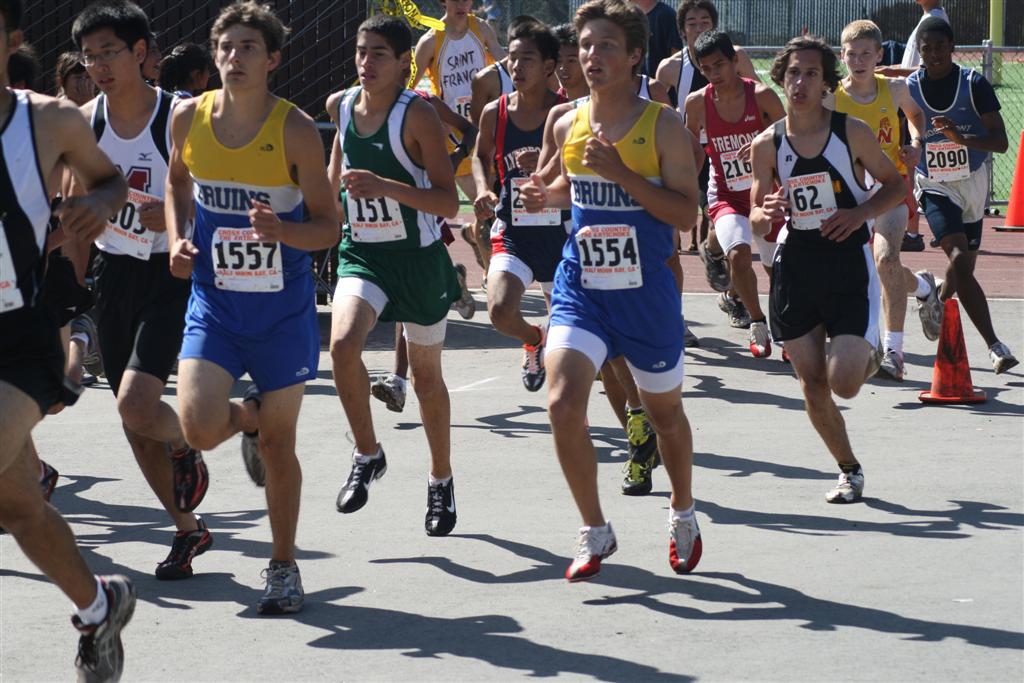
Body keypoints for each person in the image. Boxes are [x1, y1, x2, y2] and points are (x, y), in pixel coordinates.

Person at [165, 0, 339, 613]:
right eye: (225, 47)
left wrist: (282, 231)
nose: (233, 57)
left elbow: (328, 227)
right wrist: (178, 237)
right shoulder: (188, 117)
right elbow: (177, 183)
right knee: (197, 427)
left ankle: (283, 566)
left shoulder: (294, 130)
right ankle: (248, 416)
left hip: (280, 312)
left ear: (273, 60)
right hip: (214, 304)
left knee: (279, 446)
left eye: (247, 48)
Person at [520, 0, 702, 581]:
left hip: (645, 294)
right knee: (561, 404)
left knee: (665, 416)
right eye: (585, 46)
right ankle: (594, 528)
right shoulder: (566, 122)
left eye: (605, 46)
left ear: (634, 56)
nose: (590, 56)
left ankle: (682, 510)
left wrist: (622, 173)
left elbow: (686, 214)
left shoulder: (663, 126)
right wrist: (540, 196)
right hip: (583, 287)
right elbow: (565, 190)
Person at [0, 1, 137, 679]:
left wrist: (99, 205)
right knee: (20, 508)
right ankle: (99, 604)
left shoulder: (48, 121)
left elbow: (109, 179)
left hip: (20, 336)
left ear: (12, 39)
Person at [71, 0, 212, 580]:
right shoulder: (84, 122)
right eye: (89, 56)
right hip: (112, 274)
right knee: (132, 420)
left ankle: (188, 438)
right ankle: (188, 529)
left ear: (140, 52)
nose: (99, 66)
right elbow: (76, 212)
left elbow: (224, 195)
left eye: (109, 52)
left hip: (169, 273)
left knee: (135, 403)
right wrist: (71, 290)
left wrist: (180, 216)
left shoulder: (179, 116)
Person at [750, 35, 906, 505]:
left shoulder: (850, 131)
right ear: (781, 79)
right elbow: (756, 217)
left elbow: (895, 185)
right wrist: (766, 212)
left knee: (844, 383)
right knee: (813, 384)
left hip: (846, 263)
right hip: (797, 266)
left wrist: (859, 214)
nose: (800, 82)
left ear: (825, 83)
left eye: (811, 74)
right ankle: (849, 470)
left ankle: (870, 352)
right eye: (793, 73)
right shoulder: (766, 144)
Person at [328, 14, 462, 537]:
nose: (366, 62)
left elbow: (447, 201)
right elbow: (332, 184)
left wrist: (385, 186)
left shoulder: (418, 116)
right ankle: (368, 453)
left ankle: (440, 478)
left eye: (379, 54)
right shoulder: (341, 106)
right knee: (343, 345)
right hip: (364, 254)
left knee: (426, 380)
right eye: (361, 51)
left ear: (405, 61)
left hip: (418, 259)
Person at [830, 19, 942, 381]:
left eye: (866, 54)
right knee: (863, 270)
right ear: (842, 56)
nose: (859, 61)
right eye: (852, 54)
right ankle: (923, 287)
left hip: (890, 187)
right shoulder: (832, 97)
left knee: (886, 259)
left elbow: (916, 115)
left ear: (879, 55)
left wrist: (916, 143)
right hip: (848, 193)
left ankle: (894, 352)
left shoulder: (893, 89)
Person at [906, 17, 1017, 374]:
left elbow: (1000, 142)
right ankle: (995, 346)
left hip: (973, 181)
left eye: (940, 47)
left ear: (952, 48)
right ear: (919, 53)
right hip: (934, 183)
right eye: (926, 49)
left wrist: (960, 139)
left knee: (963, 266)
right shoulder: (910, 89)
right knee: (955, 254)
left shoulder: (974, 84)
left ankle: (935, 299)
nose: (934, 54)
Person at [472, 20, 568, 392]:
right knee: (499, 310)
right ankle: (533, 338)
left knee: (569, 350)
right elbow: (480, 155)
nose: (517, 67)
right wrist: (484, 188)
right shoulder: (494, 112)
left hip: (562, 237)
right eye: (512, 58)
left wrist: (547, 162)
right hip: (515, 233)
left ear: (548, 66)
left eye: (527, 59)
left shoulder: (566, 112)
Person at [683, 29, 786, 358]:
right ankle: (757, 322)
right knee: (739, 255)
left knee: (777, 268)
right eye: (706, 69)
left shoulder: (762, 96)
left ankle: (788, 328)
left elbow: (791, 135)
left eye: (719, 65)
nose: (714, 74)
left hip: (766, 191)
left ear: (734, 61)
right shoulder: (697, 103)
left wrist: (761, 143)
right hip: (726, 195)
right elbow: (691, 147)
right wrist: (685, 183)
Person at [414, 0, 505, 281]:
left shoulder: (482, 30)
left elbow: (506, 67)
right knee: (486, 206)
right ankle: (491, 276)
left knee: (496, 205)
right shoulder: (431, 41)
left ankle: (472, 235)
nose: (462, 4)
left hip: (487, 130)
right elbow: (407, 85)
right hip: (457, 138)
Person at [878, 0, 949, 252]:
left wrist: (891, 71)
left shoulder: (934, 19)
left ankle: (915, 231)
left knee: (910, 167)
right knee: (914, 168)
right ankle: (926, 229)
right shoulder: (929, 17)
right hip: (912, 101)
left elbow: (925, 68)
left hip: (916, 104)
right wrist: (891, 70)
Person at [631, 0, 681, 78]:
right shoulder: (626, 16)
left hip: (660, 82)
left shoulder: (667, 14)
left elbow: (676, 56)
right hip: (631, 82)